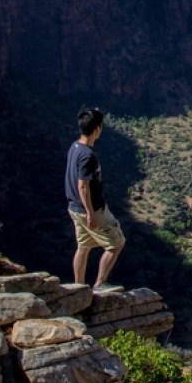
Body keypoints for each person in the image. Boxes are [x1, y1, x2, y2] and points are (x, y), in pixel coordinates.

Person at [64, 107, 125, 288]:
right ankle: (100, 284)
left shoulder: (75, 146)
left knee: (83, 246)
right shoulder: (87, 156)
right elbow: (83, 185)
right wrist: (91, 213)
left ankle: (78, 287)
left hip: (74, 208)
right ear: (98, 128)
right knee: (116, 244)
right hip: (91, 210)